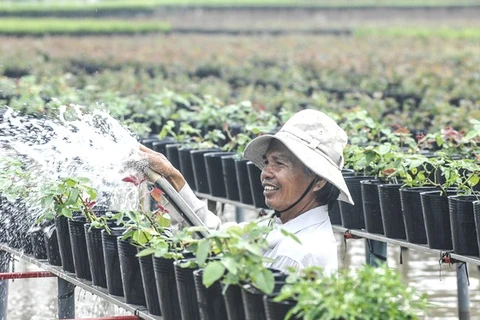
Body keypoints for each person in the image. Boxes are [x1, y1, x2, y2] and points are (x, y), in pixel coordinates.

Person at [140, 109, 353, 273]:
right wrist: (172, 178)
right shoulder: (280, 225)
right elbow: (218, 236)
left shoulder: (297, 253)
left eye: (279, 163)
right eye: (267, 162)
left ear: (318, 181)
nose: (265, 173)